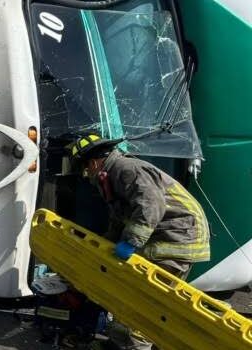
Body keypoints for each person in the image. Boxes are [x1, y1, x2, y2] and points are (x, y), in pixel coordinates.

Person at [67, 135, 211, 350]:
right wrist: (103, 247)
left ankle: (137, 346)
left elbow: (150, 206)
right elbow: (120, 219)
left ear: (94, 162)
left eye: (86, 169)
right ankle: (117, 345)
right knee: (127, 297)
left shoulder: (127, 169)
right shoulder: (112, 176)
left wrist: (131, 242)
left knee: (145, 304)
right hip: (165, 238)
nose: (88, 176)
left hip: (175, 239)